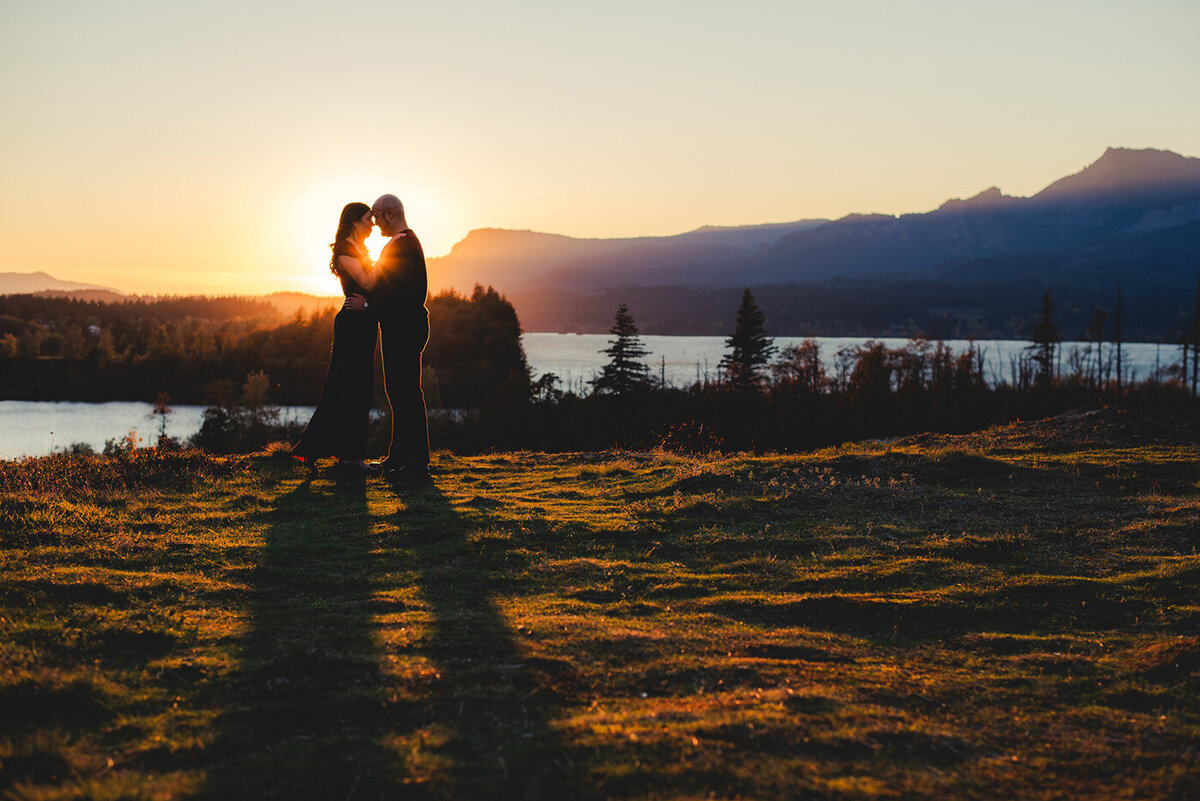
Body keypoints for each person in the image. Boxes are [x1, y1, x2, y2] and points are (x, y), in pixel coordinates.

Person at [347, 193, 430, 481]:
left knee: (406, 394)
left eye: (377, 216)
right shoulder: (403, 242)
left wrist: (367, 305)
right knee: (400, 393)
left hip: (405, 328)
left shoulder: (403, 245)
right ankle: (400, 458)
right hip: (400, 327)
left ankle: (416, 463)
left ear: (390, 214)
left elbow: (400, 293)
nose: (375, 224)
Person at [292, 202, 379, 473]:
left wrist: (369, 305)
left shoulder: (360, 250)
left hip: (363, 322)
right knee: (350, 387)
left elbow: (371, 288)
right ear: (354, 221)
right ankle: (349, 458)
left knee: (355, 388)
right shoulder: (344, 251)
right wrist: (390, 256)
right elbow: (367, 281)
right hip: (352, 325)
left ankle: (333, 453)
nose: (372, 225)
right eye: (368, 219)